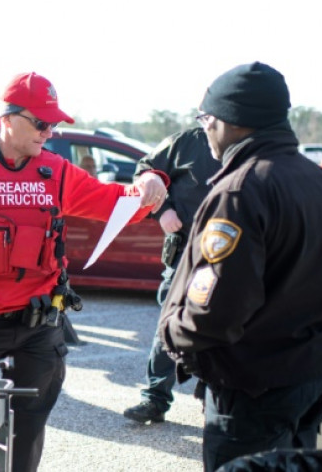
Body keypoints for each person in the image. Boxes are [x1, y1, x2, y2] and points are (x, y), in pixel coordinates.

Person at [0, 72, 169, 471]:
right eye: (41, 122)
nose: (49, 132)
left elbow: (117, 203)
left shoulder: (56, 172)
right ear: (7, 118)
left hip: (39, 328)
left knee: (25, 438)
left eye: (54, 124)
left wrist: (151, 181)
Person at [158, 62, 322, 471]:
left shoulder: (241, 190)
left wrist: (171, 334)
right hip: (309, 375)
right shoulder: (320, 181)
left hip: (255, 386)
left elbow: (216, 308)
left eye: (205, 118)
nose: (204, 128)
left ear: (231, 121)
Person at [123, 127, 221, 424]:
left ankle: (213, 400)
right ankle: (155, 398)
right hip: (184, 252)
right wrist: (161, 208)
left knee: (221, 326)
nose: (211, 122)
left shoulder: (249, 142)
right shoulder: (187, 141)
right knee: (169, 324)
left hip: (228, 255)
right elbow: (145, 170)